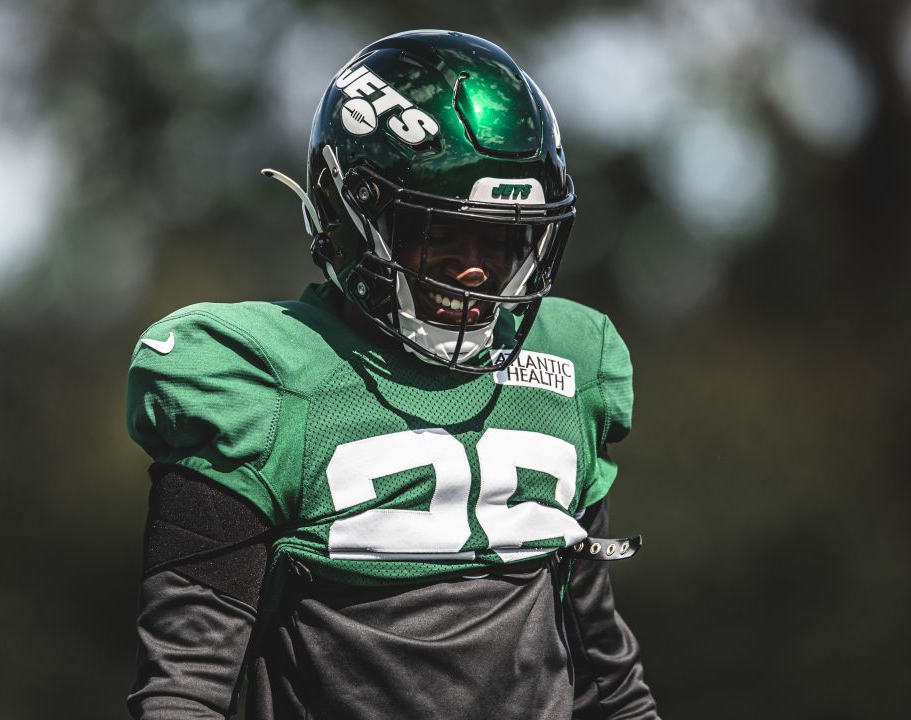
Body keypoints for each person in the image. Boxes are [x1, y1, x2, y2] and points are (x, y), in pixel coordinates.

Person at [126, 29, 661, 720]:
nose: (477, 268)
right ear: (355, 213)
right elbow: (185, 685)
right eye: (443, 234)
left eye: (503, 238)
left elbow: (604, 676)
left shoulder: (571, 366)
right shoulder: (260, 379)